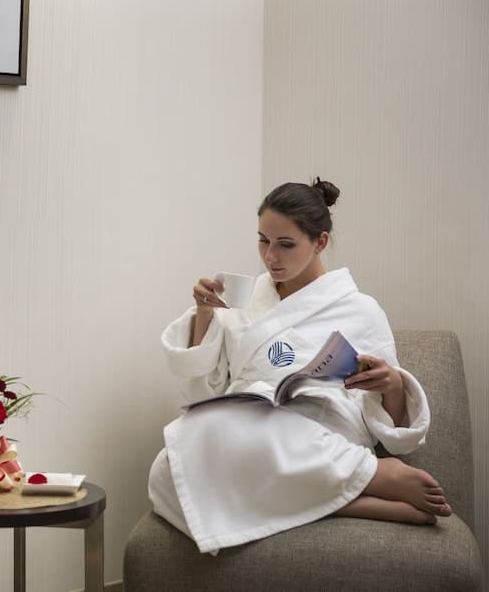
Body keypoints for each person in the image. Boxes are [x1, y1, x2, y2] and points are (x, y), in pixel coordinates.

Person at [147, 178, 451, 554]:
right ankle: (351, 497)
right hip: (245, 428)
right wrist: (206, 314)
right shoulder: (245, 301)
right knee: (166, 469)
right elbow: (204, 387)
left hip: (318, 434)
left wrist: (391, 384)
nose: (270, 257)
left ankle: (370, 473)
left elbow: (390, 429)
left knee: (237, 436)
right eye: (263, 241)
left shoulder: (361, 310)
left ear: (320, 242)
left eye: (285, 244)